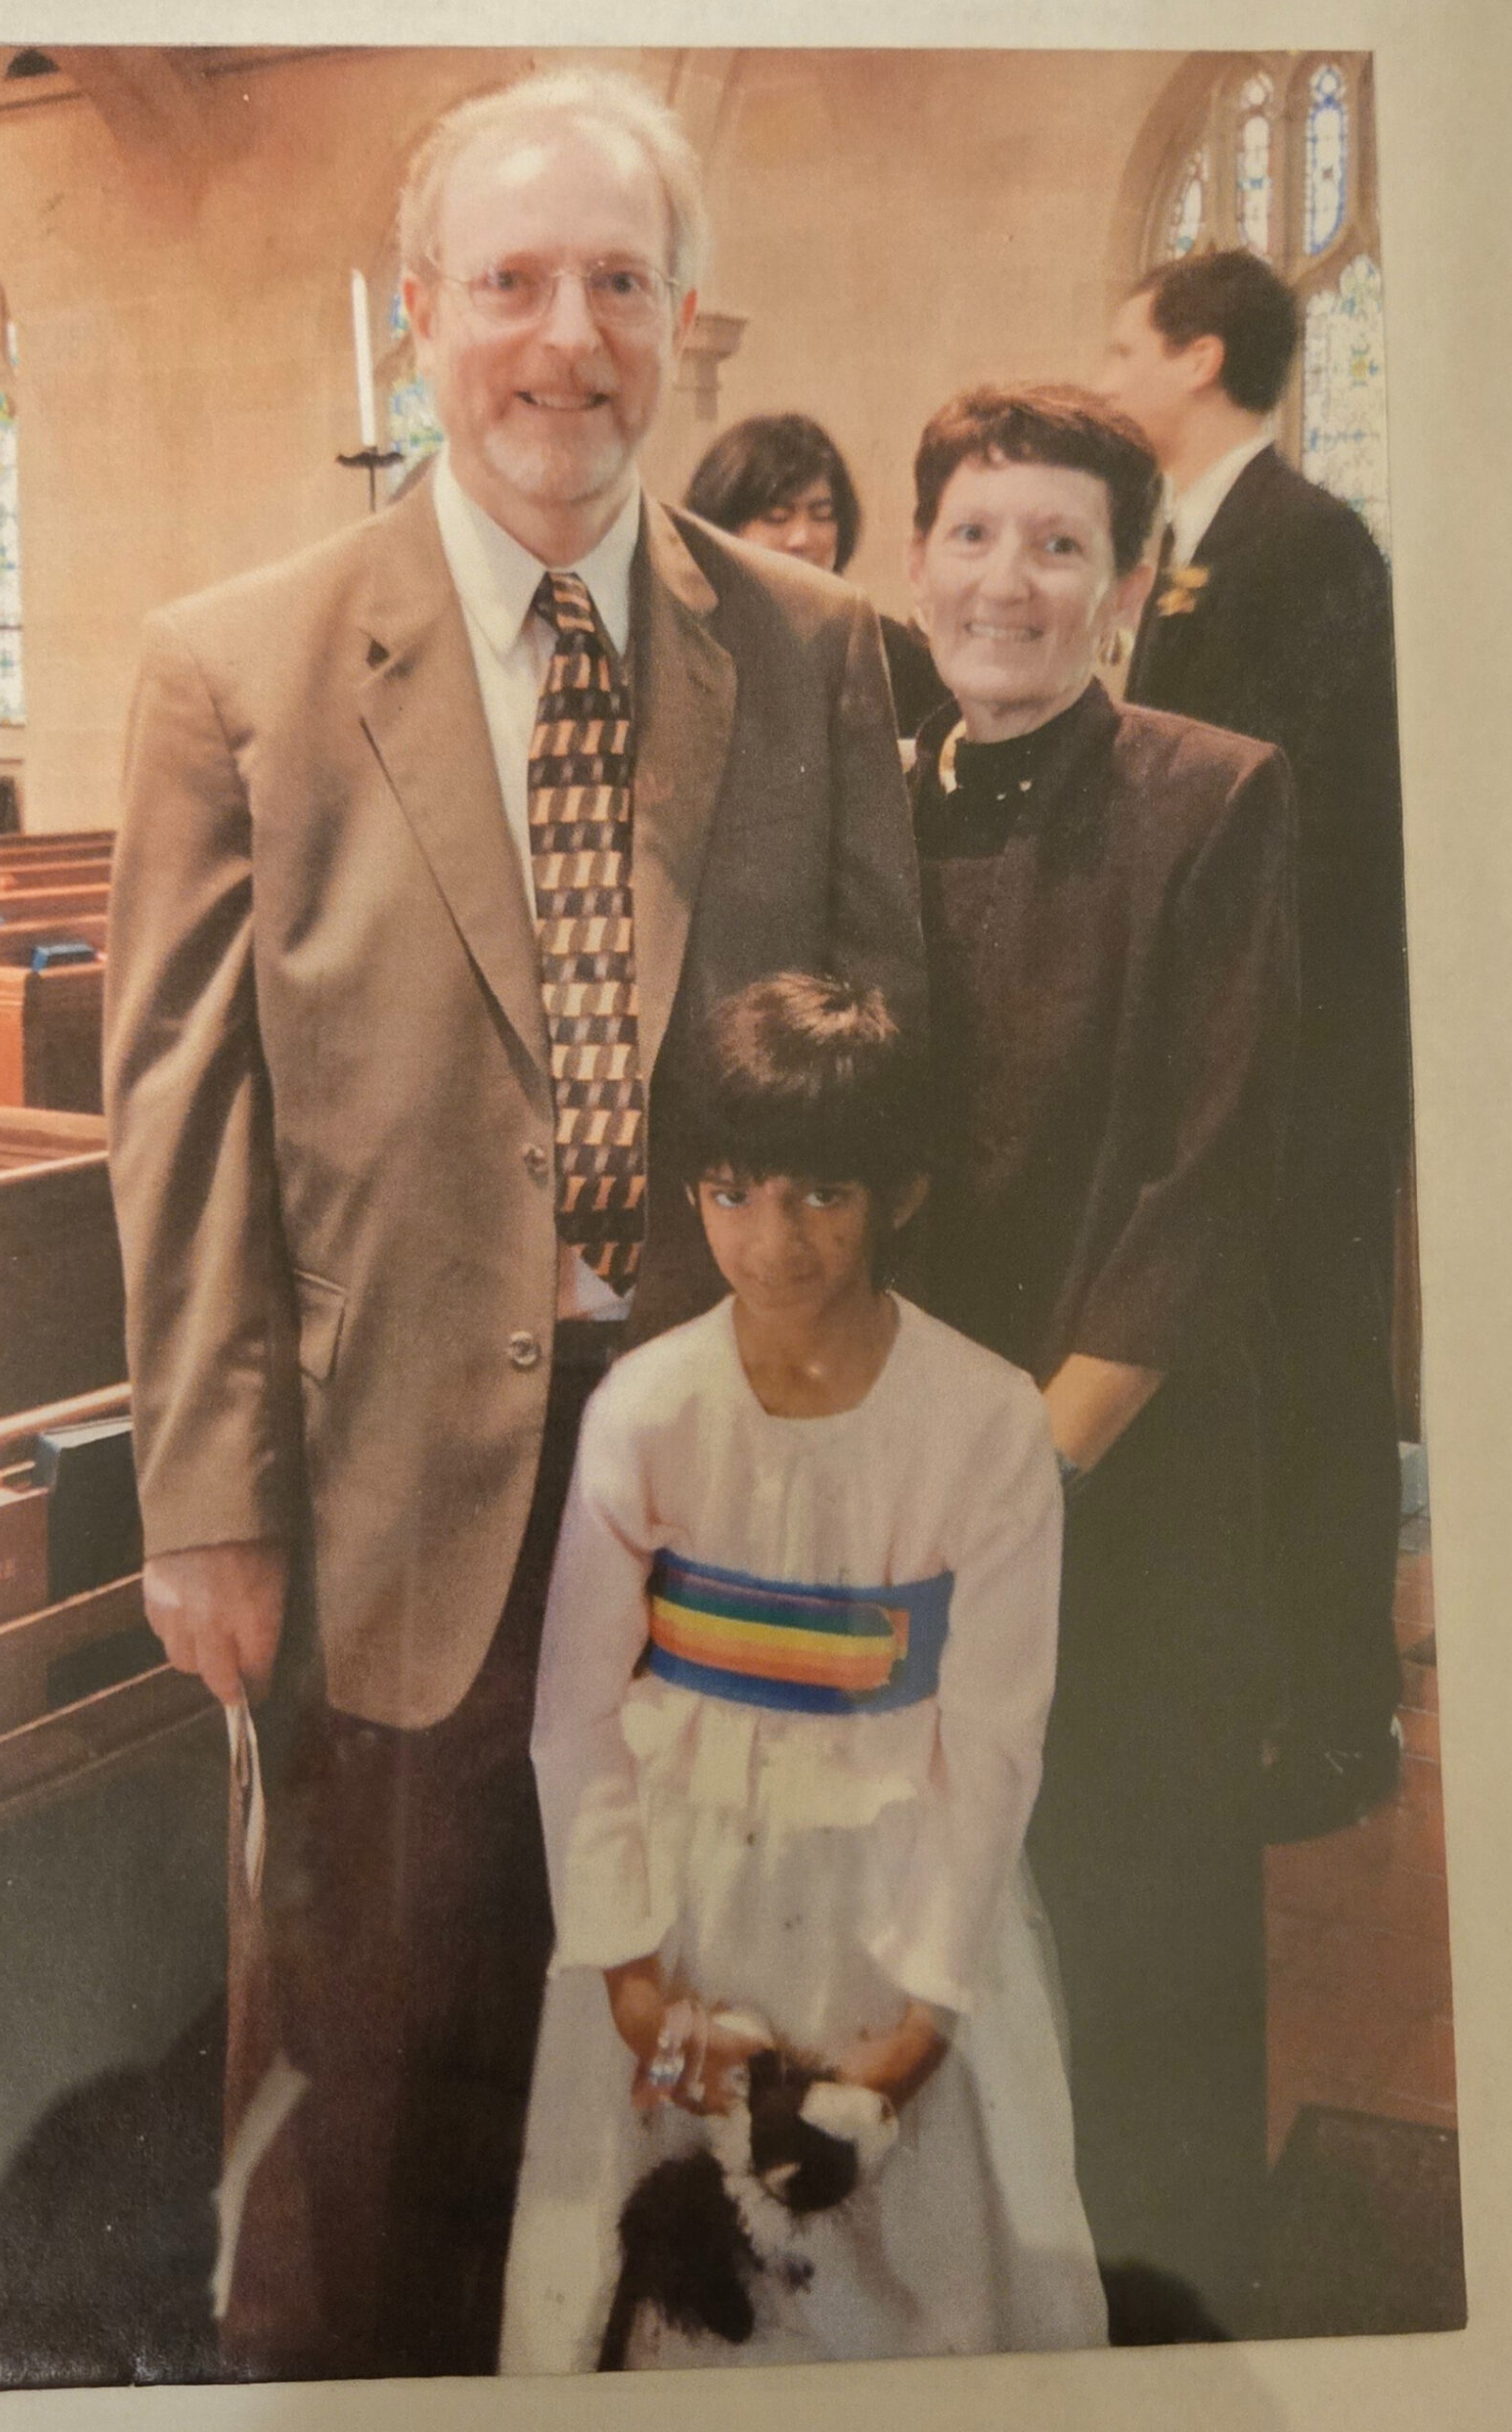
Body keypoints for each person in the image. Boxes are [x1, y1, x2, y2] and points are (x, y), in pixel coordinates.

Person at [102, 66, 923, 2381]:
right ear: (416, 314)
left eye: (618, 284)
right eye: (512, 284)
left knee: (721, 2064)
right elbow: (183, 1139)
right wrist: (206, 1505)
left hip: (725, 1476)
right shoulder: (234, 672)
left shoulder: (809, 652)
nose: (566, 337)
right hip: (393, 1507)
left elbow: (886, 1082)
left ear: (681, 321)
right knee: (403, 2083)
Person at [500, 974, 1107, 2371]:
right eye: (730, 1193)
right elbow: (575, 1720)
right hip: (681, 1901)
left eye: (820, 1196)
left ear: (899, 1190)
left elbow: (993, 1739)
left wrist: (913, 2032)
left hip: (895, 1907)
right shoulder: (648, 1406)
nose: (770, 1243)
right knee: (667, 2291)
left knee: (913, 2289)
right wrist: (633, 1981)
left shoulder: (986, 1423)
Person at [903, 385, 1297, 2334]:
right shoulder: (875, 794)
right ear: (916, 566)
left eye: (1060, 543)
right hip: (910, 1495)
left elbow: (1206, 1180)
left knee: (1137, 1963)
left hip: (1113, 1490)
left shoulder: (1213, 794)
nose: (1010, 580)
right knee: (943, 1956)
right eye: (974, 534)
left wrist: (1027, 1470)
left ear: (1126, 584)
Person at [1101, 247, 1410, 1841]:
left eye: (1126, 343)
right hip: (1249, 1042)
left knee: (1316, 1375)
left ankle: (1342, 1717)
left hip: (1314, 1051)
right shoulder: (1193, 547)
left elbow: (1313, 817)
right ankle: (1278, 1687)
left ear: (1200, 354)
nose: (1110, 368)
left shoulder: (1301, 543)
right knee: (1261, 1376)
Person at [685, 411, 948, 737]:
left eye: (822, 516)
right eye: (777, 517)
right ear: (722, 529)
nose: (803, 539)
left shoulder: (896, 654)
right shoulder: (686, 652)